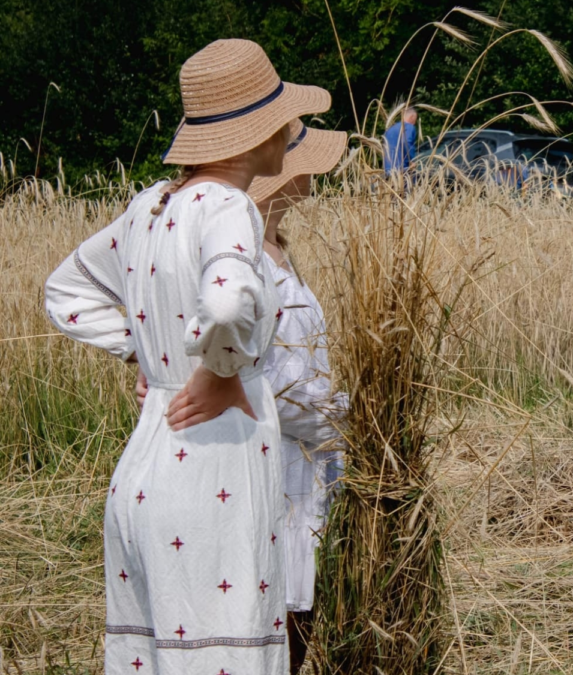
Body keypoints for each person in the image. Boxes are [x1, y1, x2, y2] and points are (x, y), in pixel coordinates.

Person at [44, 39, 330, 674]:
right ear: (250, 138)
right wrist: (218, 372)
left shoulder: (152, 204)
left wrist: (147, 356)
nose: (292, 131)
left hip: (145, 467)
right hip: (214, 469)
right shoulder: (229, 207)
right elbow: (227, 307)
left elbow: (64, 290)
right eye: (281, 118)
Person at [248, 120, 348, 674]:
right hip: (280, 462)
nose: (312, 169)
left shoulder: (279, 248)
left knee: (298, 599)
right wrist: (347, 420)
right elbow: (275, 386)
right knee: (279, 606)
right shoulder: (253, 261)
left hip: (307, 461)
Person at [383, 106, 418, 176]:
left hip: (388, 169)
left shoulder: (389, 130)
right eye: (415, 119)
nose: (414, 123)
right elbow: (406, 142)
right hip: (402, 169)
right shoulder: (409, 127)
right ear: (411, 117)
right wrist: (411, 160)